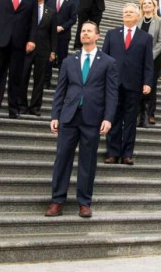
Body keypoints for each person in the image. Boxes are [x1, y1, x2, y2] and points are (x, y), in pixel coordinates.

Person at [45, 21, 119, 218]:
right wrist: (55, 115)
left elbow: (112, 93)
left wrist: (108, 118)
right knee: (62, 159)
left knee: (88, 162)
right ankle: (57, 200)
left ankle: (84, 202)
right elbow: (60, 90)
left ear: (97, 36)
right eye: (83, 31)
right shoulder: (69, 61)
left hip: (92, 118)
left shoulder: (108, 62)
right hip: (69, 116)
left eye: (89, 31)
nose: (85, 34)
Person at [102, 3, 153, 165]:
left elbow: (148, 63)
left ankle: (127, 154)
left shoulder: (145, 37)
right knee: (113, 118)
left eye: (131, 12)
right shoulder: (111, 34)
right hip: (113, 84)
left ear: (138, 16)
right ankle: (112, 152)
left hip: (134, 84)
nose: (128, 14)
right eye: (125, 12)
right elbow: (104, 59)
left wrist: (147, 82)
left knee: (130, 120)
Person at [23, 0, 57, 116]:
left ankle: (35, 107)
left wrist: (53, 51)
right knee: (23, 77)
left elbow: (53, 34)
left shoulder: (51, 12)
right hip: (26, 49)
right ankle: (22, 105)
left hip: (43, 50)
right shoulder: (25, 9)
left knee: (39, 80)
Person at [137, 0, 161, 127]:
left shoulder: (160, 21)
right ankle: (138, 112)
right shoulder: (137, 21)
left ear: (154, 6)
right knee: (138, 84)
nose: (147, 5)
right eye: (144, 3)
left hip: (153, 58)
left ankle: (150, 113)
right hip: (138, 58)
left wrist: (149, 56)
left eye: (149, 3)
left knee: (151, 85)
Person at [45, 0, 77, 88]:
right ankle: (46, 81)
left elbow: (73, 19)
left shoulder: (71, 3)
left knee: (62, 60)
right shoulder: (49, 1)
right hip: (49, 35)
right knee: (48, 59)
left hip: (63, 35)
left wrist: (62, 27)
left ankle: (61, 83)